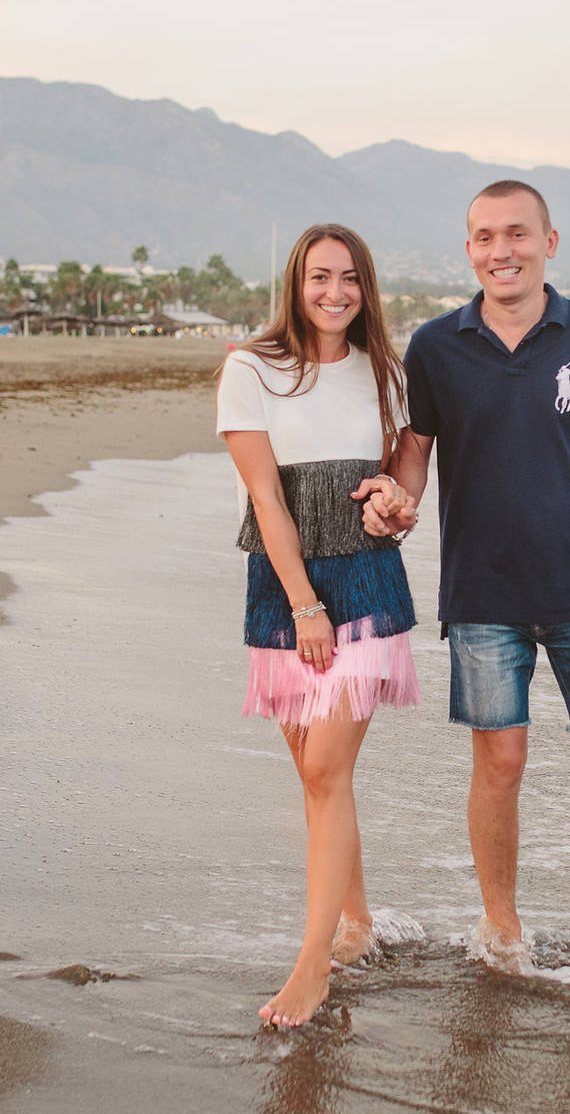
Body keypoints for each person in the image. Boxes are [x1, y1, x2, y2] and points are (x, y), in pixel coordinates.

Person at [359, 180, 570, 962]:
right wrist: (398, 497)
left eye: (519, 235)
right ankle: (502, 923)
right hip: (483, 591)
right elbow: (417, 450)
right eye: (487, 238)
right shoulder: (436, 346)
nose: (503, 251)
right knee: (501, 762)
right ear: (470, 251)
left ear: (549, 243)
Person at [216, 223, 419, 1027]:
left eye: (349, 279)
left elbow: (402, 488)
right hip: (285, 586)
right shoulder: (250, 369)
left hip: (367, 583)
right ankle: (355, 923)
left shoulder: (387, 376)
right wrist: (303, 606)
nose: (334, 293)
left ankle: (312, 968)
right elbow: (266, 498)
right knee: (315, 776)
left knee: (328, 770)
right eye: (318, 278)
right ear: (295, 286)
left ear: (365, 289)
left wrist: (397, 509)